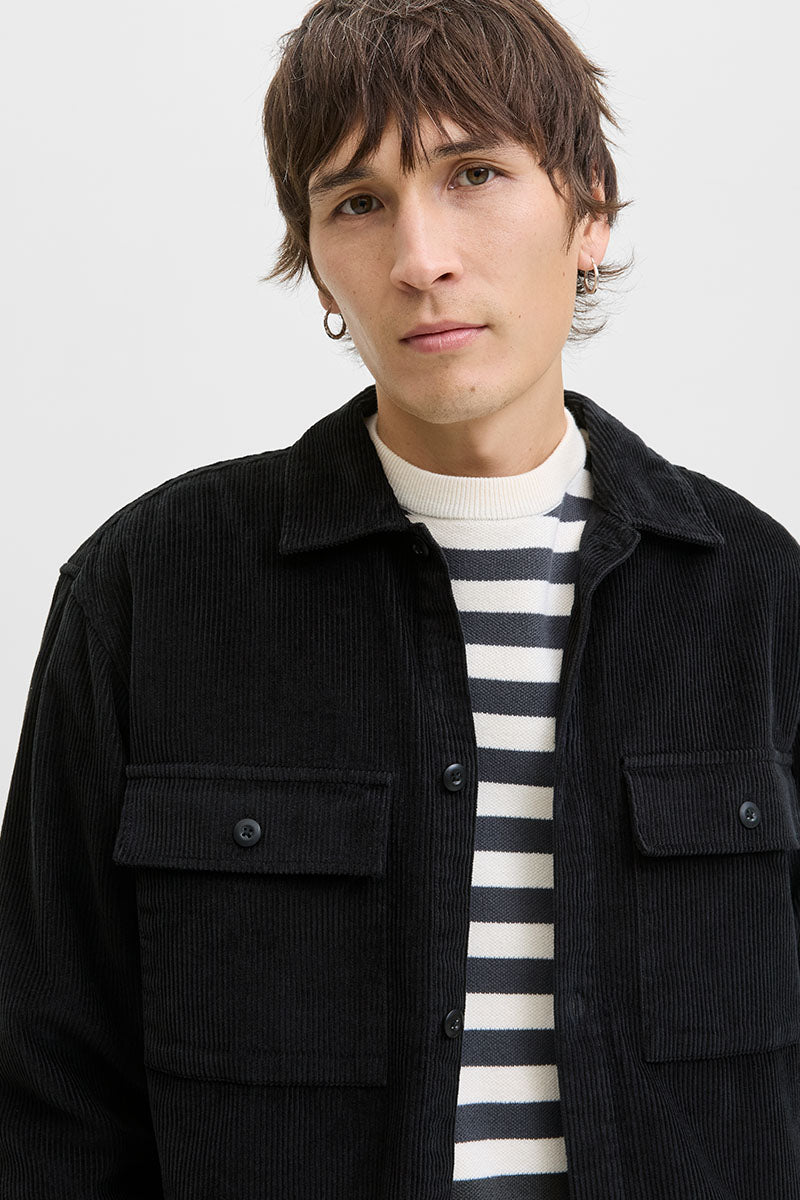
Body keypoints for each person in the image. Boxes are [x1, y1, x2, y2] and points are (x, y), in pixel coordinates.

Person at [1, 0, 798, 1197]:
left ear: (587, 211)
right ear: (316, 260)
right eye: (357, 202)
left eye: (472, 174)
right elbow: (43, 1087)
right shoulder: (146, 592)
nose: (420, 258)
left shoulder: (756, 595)